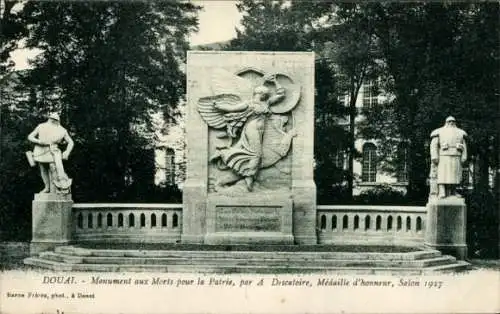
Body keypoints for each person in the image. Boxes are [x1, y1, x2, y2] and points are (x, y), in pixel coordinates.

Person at [209, 74, 286, 191]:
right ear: (259, 93)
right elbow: (232, 108)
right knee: (257, 155)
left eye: (267, 94)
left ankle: (223, 152)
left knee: (253, 154)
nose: (266, 95)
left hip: (260, 132)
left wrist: (275, 81)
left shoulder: (266, 103)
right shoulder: (249, 103)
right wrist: (219, 106)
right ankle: (249, 177)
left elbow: (281, 95)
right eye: (265, 94)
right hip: (252, 129)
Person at [27, 113, 74, 193]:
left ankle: (57, 188)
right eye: (52, 119)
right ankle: (47, 187)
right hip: (40, 150)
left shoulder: (62, 130)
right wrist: (39, 141)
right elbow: (30, 137)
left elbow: (71, 142)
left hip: (53, 151)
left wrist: (67, 152)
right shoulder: (41, 126)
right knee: (43, 168)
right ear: (49, 119)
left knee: (54, 167)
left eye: (55, 120)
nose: (53, 121)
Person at [430, 116, 467, 198]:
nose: (451, 123)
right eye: (449, 121)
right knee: (443, 174)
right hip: (444, 156)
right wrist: (434, 156)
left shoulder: (460, 133)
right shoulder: (439, 132)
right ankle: (442, 191)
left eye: (453, 121)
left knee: (455, 175)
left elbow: (464, 146)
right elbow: (434, 145)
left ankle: (453, 191)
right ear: (446, 122)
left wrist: (464, 156)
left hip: (456, 155)